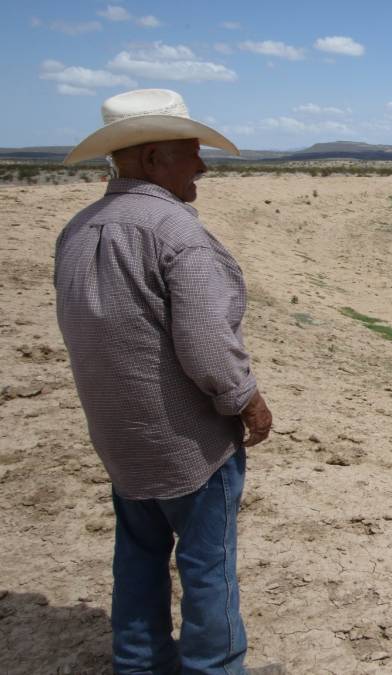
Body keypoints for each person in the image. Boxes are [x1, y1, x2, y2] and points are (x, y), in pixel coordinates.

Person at [55, 89, 280, 675]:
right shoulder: (173, 229)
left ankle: (139, 664)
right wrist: (247, 401)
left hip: (119, 436)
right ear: (153, 158)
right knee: (208, 567)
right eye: (191, 152)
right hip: (187, 443)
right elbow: (205, 343)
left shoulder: (78, 229)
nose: (202, 165)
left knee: (137, 556)